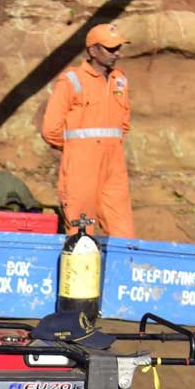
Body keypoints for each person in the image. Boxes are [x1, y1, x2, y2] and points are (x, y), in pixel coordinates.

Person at [40, 22, 134, 237]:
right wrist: (77, 148)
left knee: (123, 232)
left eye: (118, 48)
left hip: (114, 164)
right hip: (80, 164)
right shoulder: (72, 80)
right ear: (93, 50)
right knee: (81, 231)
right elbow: (50, 129)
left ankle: (120, 261)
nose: (117, 53)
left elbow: (124, 124)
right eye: (110, 48)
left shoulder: (120, 80)